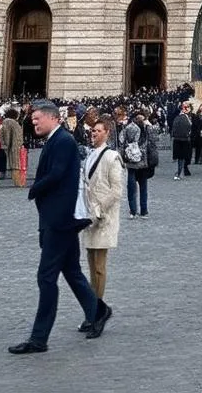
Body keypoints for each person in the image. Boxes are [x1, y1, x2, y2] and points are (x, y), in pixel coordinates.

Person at [8, 100, 110, 354]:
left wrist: (35, 189)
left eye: (37, 118)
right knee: (72, 271)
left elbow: (56, 173)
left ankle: (39, 339)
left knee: (46, 278)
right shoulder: (57, 140)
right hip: (59, 220)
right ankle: (98, 310)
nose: (33, 122)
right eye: (32, 120)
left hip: (60, 221)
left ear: (53, 118)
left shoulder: (63, 141)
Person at [80, 116, 123, 314]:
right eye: (92, 130)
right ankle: (93, 308)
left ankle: (97, 310)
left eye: (98, 131)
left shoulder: (111, 157)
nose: (93, 133)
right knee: (90, 266)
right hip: (89, 217)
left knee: (99, 267)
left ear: (107, 133)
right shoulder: (89, 156)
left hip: (103, 218)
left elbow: (116, 191)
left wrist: (99, 209)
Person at [119, 111, 152, 217]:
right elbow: (154, 142)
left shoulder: (128, 128)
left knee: (131, 188)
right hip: (143, 162)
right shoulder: (147, 129)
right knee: (143, 188)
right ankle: (144, 210)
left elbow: (121, 141)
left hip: (131, 162)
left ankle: (133, 211)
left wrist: (122, 157)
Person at [0, 105, 24, 187]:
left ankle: (18, 182)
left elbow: (6, 135)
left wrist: (6, 145)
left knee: (15, 164)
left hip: (14, 146)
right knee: (16, 164)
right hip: (16, 145)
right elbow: (8, 135)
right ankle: (18, 182)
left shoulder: (8, 122)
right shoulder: (12, 122)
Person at [170, 101, 193, 179]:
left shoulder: (178, 117)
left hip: (179, 139)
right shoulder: (184, 118)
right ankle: (180, 172)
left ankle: (180, 172)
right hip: (184, 140)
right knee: (182, 157)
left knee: (180, 158)